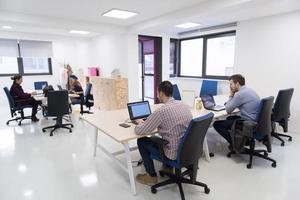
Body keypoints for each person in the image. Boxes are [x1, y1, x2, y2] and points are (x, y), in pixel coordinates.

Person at [134, 81, 193, 185]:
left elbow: (140, 131)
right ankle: (168, 168)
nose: (157, 95)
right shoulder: (184, 105)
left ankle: (151, 176)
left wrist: (139, 122)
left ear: (161, 93)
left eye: (157, 92)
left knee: (142, 141)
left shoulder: (161, 111)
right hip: (188, 150)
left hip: (173, 153)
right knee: (172, 135)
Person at [213, 74, 260, 150]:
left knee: (217, 124)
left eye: (231, 84)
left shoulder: (239, 94)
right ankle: (242, 139)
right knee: (229, 118)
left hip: (248, 123)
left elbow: (228, 110)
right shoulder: (248, 90)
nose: (230, 87)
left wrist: (231, 95)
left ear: (237, 83)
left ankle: (236, 144)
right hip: (255, 120)